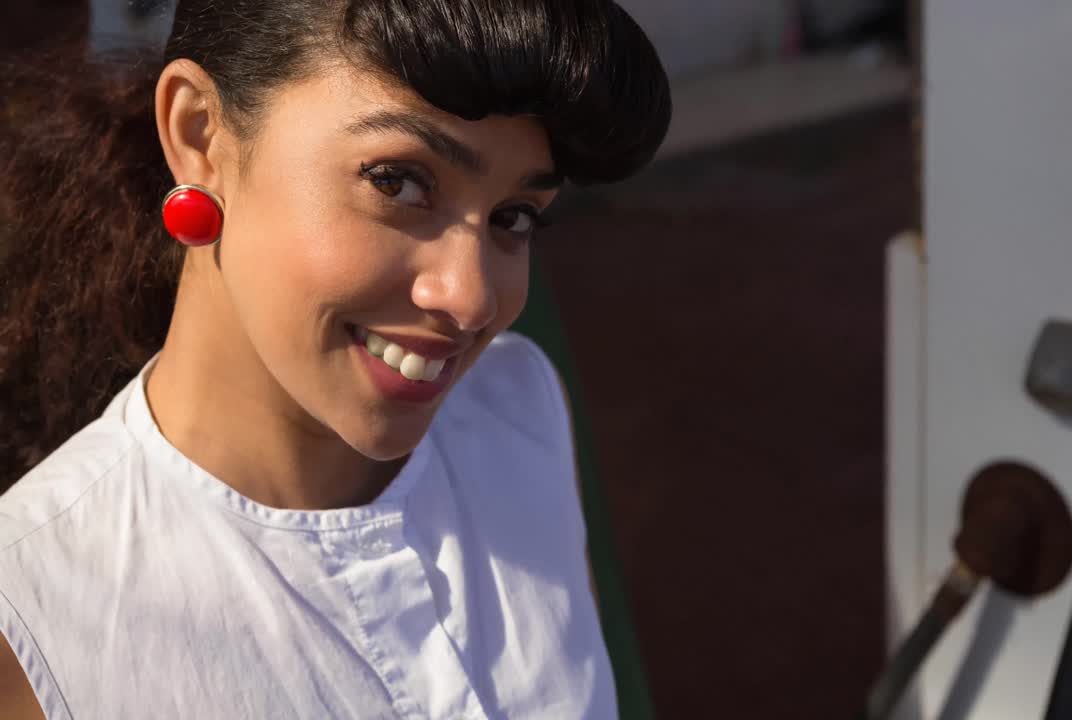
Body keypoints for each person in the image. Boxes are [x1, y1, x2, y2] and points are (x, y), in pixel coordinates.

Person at [0, 0, 670, 717]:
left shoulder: (519, 407)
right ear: (198, 134)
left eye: (514, 217)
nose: (470, 298)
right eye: (398, 182)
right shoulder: (33, 622)